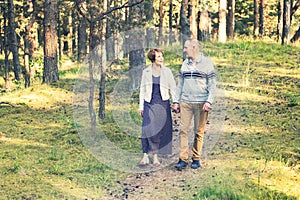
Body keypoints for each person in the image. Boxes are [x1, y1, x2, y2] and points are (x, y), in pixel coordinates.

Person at [173, 38, 216, 170]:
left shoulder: (207, 64)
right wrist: (176, 101)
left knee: (199, 131)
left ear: (194, 48)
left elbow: (212, 85)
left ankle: (196, 158)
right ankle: (183, 158)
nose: (184, 50)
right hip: (186, 101)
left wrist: (209, 101)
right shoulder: (184, 64)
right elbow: (180, 84)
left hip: (201, 102)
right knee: (183, 130)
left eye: (186, 47)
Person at [139, 48, 178, 167]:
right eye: (159, 56)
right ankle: (145, 155)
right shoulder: (146, 72)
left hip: (162, 102)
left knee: (158, 130)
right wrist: (141, 106)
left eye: (162, 56)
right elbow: (142, 89)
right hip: (149, 102)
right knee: (147, 128)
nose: (161, 58)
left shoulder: (167, 71)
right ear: (153, 59)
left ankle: (155, 156)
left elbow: (173, 87)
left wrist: (176, 101)